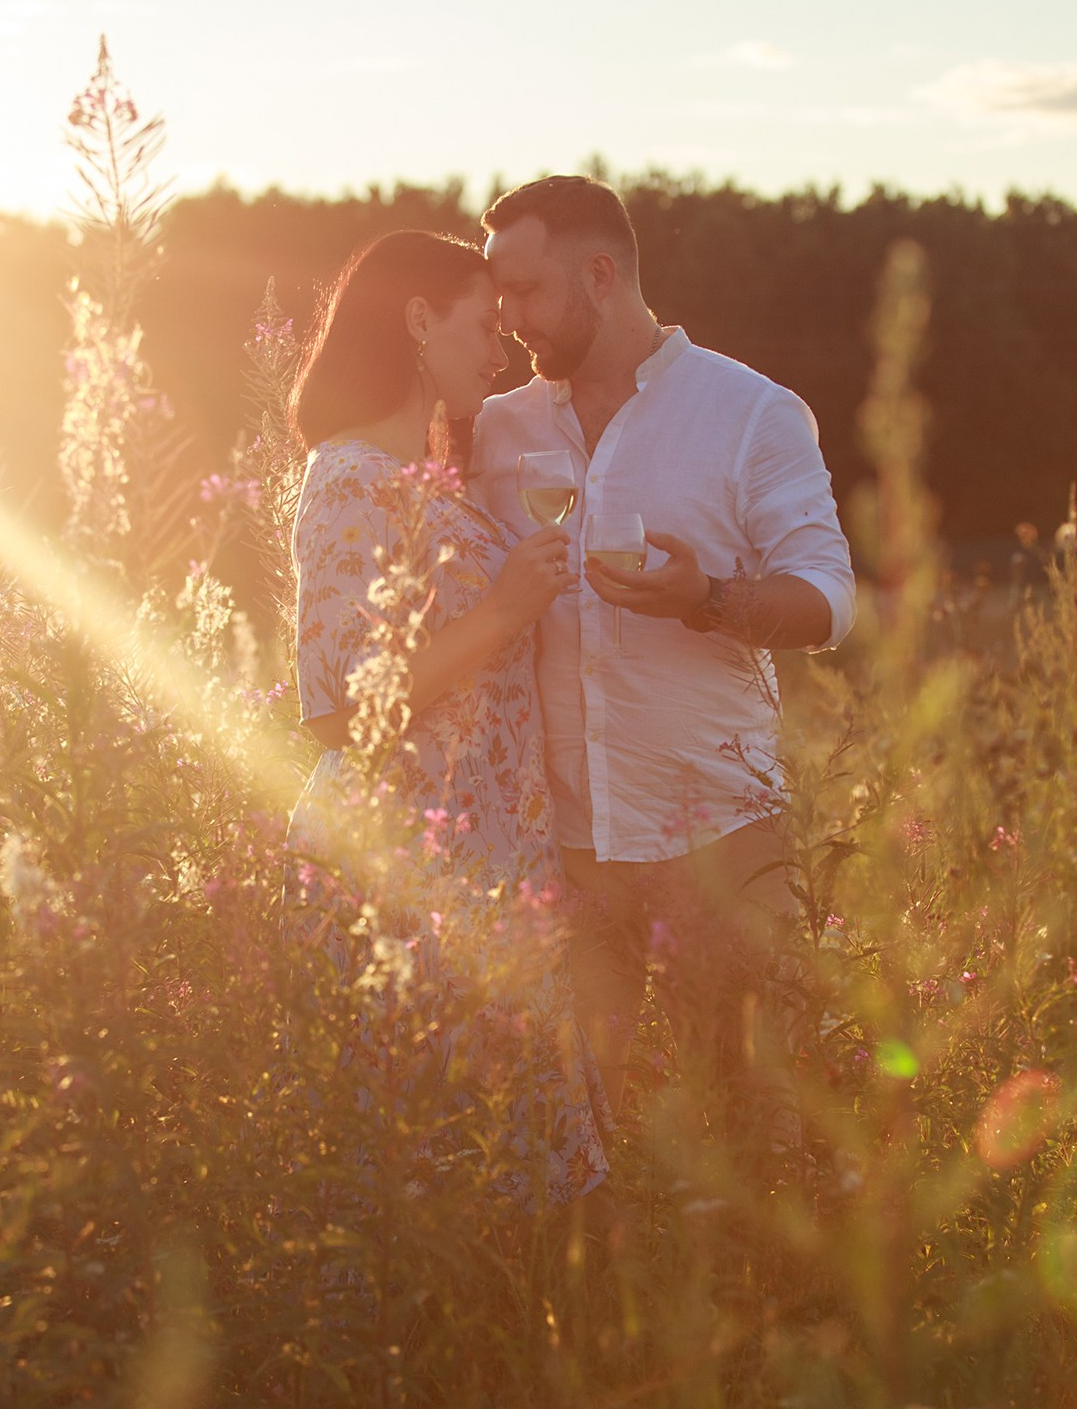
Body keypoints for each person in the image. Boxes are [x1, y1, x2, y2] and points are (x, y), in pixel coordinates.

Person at [471, 176, 856, 1152]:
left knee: (759, 1124)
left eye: (526, 293)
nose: (507, 319)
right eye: (497, 295)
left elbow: (827, 602)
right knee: (582, 1130)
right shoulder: (502, 428)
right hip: (572, 844)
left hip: (721, 836)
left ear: (602, 275)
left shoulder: (750, 414)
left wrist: (708, 600)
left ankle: (781, 1306)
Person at [284, 229, 610, 1211]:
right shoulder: (345, 478)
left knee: (516, 1189)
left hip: (490, 879)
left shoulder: (437, 488)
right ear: (420, 320)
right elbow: (339, 711)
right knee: (434, 1191)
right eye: (483, 325)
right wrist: (505, 610)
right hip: (404, 884)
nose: (500, 353)